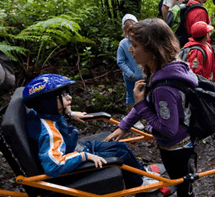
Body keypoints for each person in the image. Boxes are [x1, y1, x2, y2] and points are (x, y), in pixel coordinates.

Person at [105, 19, 197, 197]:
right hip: (178, 139)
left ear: (153, 48)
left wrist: (140, 106)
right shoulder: (162, 69)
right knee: (182, 171)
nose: (130, 49)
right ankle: (187, 193)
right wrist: (124, 125)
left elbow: (167, 128)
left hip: (175, 143)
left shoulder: (163, 87)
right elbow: (147, 102)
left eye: (135, 46)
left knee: (178, 176)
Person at [23, 74, 157, 189]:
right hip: (74, 162)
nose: (69, 97)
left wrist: (69, 114)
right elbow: (53, 166)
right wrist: (84, 156)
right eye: (63, 95)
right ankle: (140, 184)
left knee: (121, 146)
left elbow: (47, 114)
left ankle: (141, 173)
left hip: (73, 149)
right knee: (120, 153)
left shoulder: (42, 114)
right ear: (48, 102)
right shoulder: (50, 132)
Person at [117, 14, 145, 130]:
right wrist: (131, 74)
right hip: (131, 77)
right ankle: (133, 119)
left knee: (145, 94)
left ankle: (143, 115)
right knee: (131, 96)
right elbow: (121, 61)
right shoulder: (123, 44)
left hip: (144, 75)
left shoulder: (142, 40)